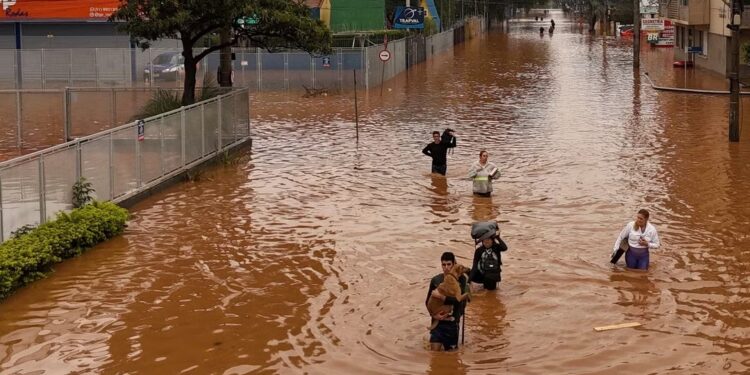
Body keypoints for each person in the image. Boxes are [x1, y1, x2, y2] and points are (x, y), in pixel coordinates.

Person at [425, 251, 469, 351]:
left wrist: (442, 298)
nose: (446, 267)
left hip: (452, 324)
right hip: (437, 322)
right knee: (434, 357)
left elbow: (459, 301)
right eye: (443, 265)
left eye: (449, 264)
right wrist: (434, 315)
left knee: (452, 357)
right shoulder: (436, 280)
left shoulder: (461, 280)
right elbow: (427, 301)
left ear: (453, 264)